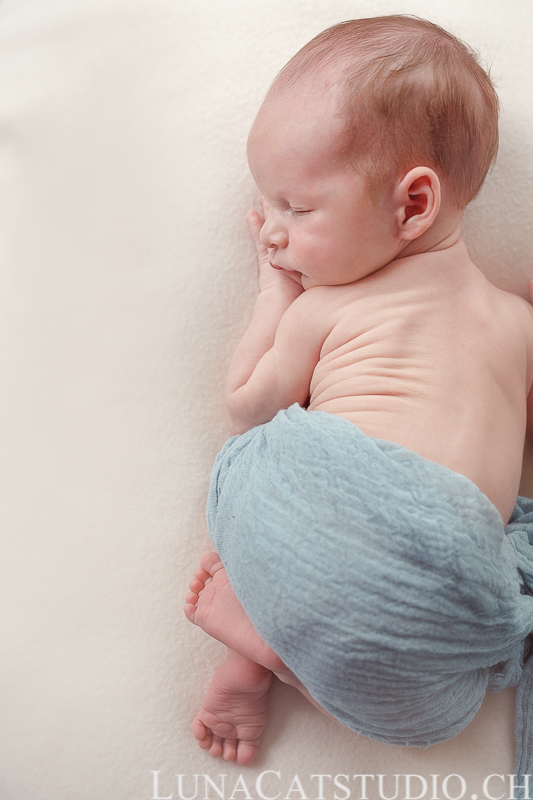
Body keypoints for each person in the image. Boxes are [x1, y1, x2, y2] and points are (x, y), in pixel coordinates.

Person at [184, 15, 533, 773]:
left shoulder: (327, 307)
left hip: (341, 539)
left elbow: (247, 407)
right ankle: (275, 650)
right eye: (268, 208)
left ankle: (261, 646)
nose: (271, 234)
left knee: (265, 466)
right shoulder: (518, 320)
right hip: (450, 597)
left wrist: (272, 297)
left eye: (295, 209)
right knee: (434, 705)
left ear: (411, 206)